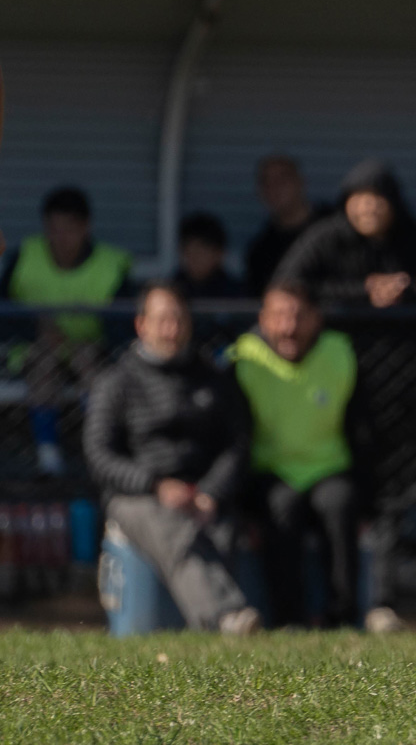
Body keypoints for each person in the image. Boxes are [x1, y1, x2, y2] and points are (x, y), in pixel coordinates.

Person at [81, 281, 260, 634]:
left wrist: (211, 492)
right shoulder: (116, 382)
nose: (172, 330)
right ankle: (226, 616)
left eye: (179, 319)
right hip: (137, 498)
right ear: (141, 325)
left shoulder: (213, 379)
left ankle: (218, 626)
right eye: (162, 320)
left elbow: (237, 443)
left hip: (202, 493)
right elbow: (99, 455)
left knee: (224, 532)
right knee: (175, 528)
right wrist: (156, 485)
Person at [229, 281, 373, 628]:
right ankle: (289, 621)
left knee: (340, 504)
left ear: (316, 319)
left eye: (298, 316)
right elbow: (232, 440)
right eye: (279, 316)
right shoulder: (242, 360)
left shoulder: (340, 354)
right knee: (282, 508)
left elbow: (364, 432)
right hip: (270, 473)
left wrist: (369, 500)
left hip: (328, 468)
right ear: (263, 320)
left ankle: (343, 618)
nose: (289, 327)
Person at [2, 186, 133, 475]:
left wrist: (85, 338)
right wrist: (33, 327)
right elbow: (3, 310)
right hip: (33, 351)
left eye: (69, 229)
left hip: (91, 351)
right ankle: (48, 455)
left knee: (91, 366)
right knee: (44, 361)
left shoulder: (111, 264)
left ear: (86, 227)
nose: (61, 238)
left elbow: (124, 326)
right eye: (54, 229)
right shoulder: (24, 256)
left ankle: (97, 451)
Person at [273, 160, 416, 307]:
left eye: (378, 199)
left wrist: (404, 288)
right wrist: (365, 290)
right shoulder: (325, 238)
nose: (369, 209)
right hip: (336, 343)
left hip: (409, 347)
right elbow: (288, 283)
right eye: (360, 199)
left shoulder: (415, 239)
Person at [244, 156, 331, 297]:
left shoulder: (333, 227)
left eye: (282, 180)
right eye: (266, 182)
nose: (274, 188)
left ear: (300, 182)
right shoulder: (260, 250)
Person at [172, 212, 246, 300]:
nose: (194, 258)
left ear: (219, 253)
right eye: (189, 251)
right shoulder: (173, 290)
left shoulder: (236, 293)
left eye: (200, 252)